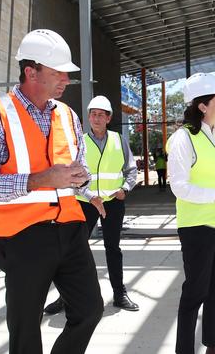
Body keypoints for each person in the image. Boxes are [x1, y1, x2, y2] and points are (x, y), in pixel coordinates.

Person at [0, 29, 103, 354]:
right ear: (31, 71)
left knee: (90, 310)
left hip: (70, 230)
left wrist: (83, 183)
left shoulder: (68, 115)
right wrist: (40, 180)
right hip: (21, 237)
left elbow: (75, 168)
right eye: (58, 73)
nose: (66, 80)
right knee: (26, 329)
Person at [167, 72, 215, 354]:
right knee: (195, 292)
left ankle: (213, 345)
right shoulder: (182, 139)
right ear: (201, 105)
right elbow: (179, 186)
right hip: (197, 226)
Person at [43, 95, 139, 315]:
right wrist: (88, 196)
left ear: (108, 118)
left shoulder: (119, 140)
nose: (95, 118)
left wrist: (125, 188)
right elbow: (72, 175)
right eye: (92, 114)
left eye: (100, 115)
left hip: (112, 202)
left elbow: (131, 169)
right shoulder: (79, 142)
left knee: (113, 249)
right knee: (73, 251)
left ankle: (119, 294)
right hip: (84, 203)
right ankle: (64, 297)